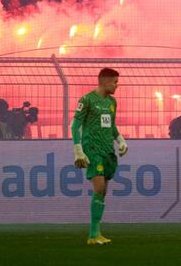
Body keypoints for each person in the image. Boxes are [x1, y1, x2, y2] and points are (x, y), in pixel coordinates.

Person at [71, 68, 128, 245]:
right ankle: (92, 234)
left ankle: (97, 233)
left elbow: (111, 125)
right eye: (115, 82)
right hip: (92, 148)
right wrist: (78, 150)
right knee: (99, 187)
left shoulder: (112, 102)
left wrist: (120, 140)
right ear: (104, 81)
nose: (117, 86)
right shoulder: (87, 100)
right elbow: (75, 125)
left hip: (107, 150)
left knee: (102, 191)